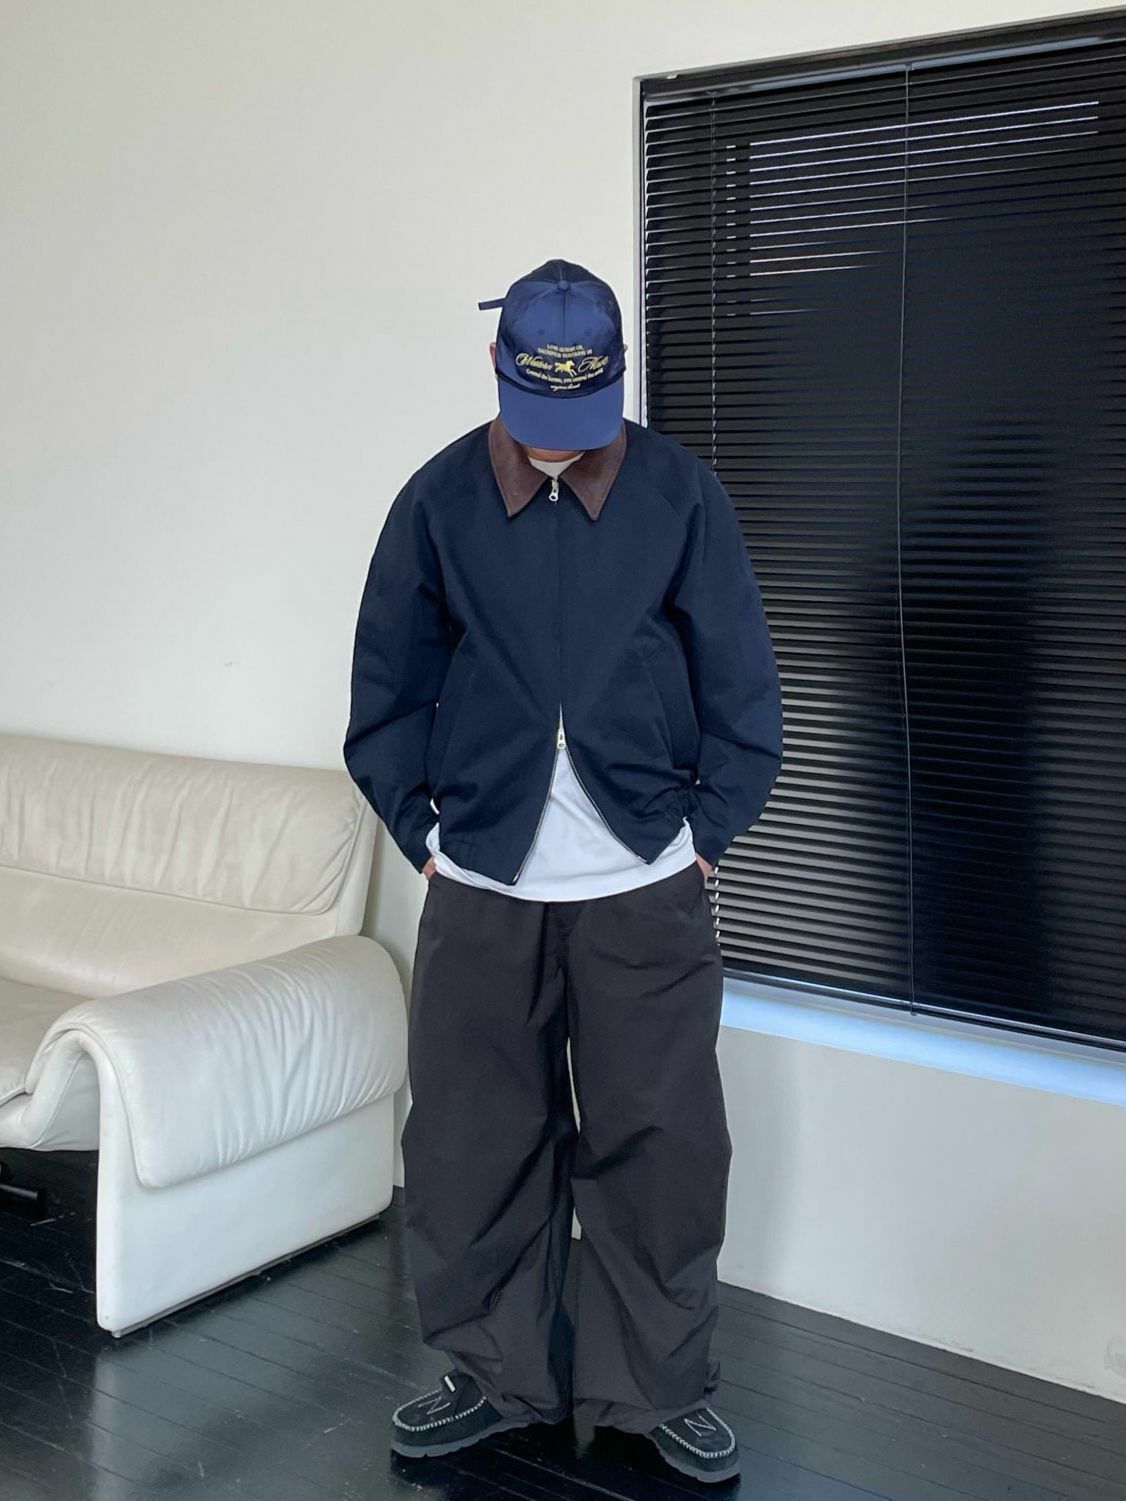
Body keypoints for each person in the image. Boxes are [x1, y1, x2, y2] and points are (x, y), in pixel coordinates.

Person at [343, 257, 783, 1485]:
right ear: (497, 370)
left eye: (581, 415)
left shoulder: (681, 496)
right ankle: (495, 1378)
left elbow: (743, 685)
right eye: (537, 413)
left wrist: (704, 832)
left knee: (662, 1147)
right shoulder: (436, 501)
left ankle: (657, 1387)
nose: (557, 443)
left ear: (617, 377)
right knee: (472, 1142)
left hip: (642, 883)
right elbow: (385, 690)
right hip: (483, 885)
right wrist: (424, 836)